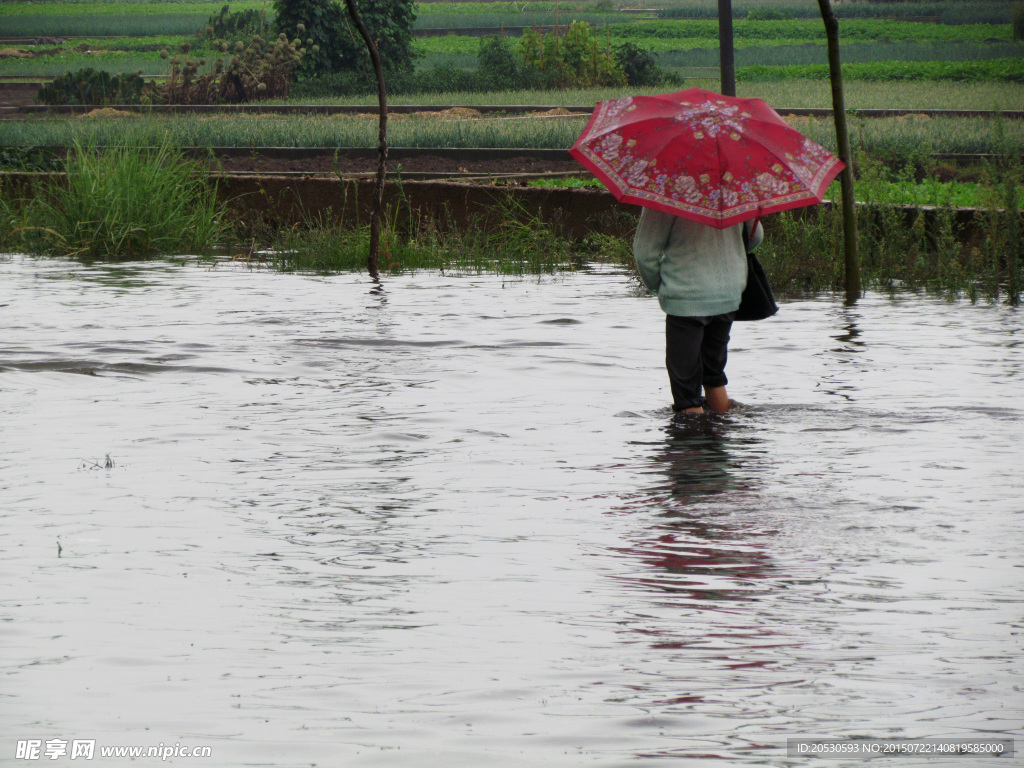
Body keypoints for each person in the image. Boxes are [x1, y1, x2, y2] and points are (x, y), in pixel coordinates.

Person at [633, 208, 763, 415]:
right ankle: (720, 437)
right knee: (714, 375)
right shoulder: (734, 188)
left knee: (686, 391)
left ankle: (692, 441)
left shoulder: (666, 192)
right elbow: (755, 237)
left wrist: (660, 287)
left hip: (685, 296)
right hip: (728, 295)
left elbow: (644, 253)